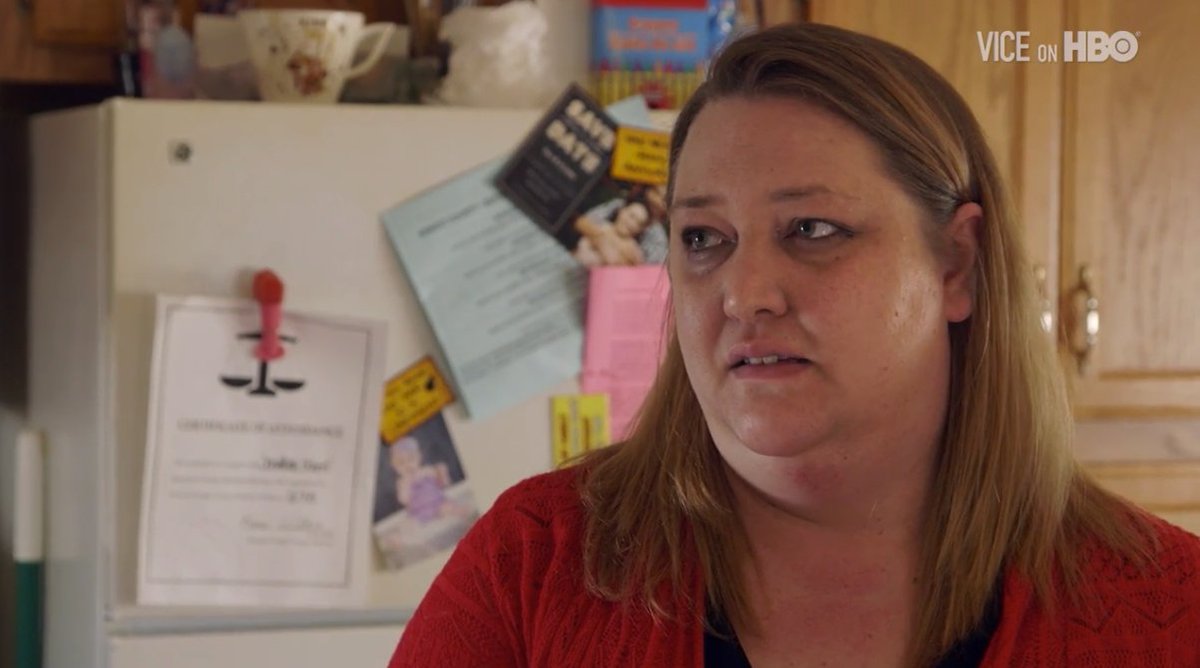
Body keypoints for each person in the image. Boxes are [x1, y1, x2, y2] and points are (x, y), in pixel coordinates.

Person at [388, 23, 1200, 667]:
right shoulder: (534, 564)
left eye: (812, 229)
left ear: (957, 263)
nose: (744, 294)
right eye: (703, 238)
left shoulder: (1171, 611)